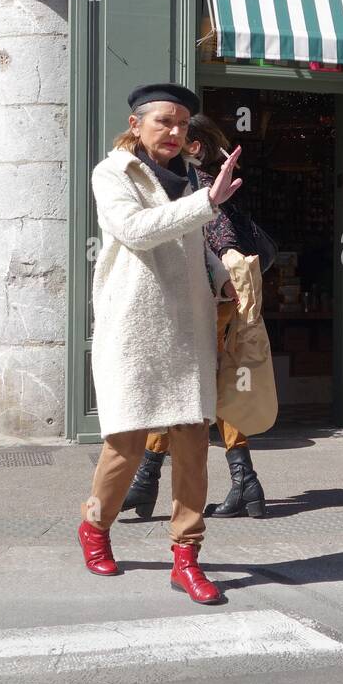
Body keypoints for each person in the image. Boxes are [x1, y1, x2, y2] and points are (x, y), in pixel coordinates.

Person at [77, 83, 243, 605]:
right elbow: (135, 230)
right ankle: (96, 525)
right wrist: (206, 203)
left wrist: (223, 275)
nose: (175, 132)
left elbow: (191, 245)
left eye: (182, 125)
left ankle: (186, 556)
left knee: (193, 447)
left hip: (189, 325)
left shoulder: (192, 178)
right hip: (134, 327)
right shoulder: (113, 173)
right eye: (164, 122)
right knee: (125, 444)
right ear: (136, 124)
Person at [122, 114, 276, 520]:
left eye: (184, 137)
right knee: (202, 387)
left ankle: (151, 481)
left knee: (201, 388)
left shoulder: (202, 183)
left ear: (195, 146)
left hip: (214, 301)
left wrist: (226, 264)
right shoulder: (196, 182)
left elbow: (219, 231)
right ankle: (234, 483)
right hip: (209, 298)